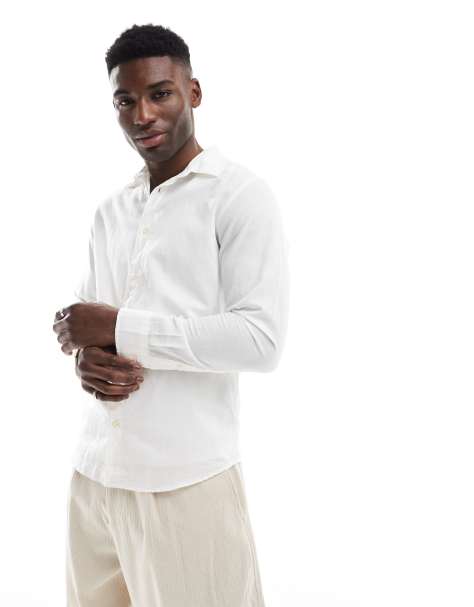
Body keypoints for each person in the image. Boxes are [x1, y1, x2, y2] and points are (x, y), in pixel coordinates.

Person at [53, 23, 290, 607]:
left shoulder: (239, 196)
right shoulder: (110, 211)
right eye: (125, 101)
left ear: (194, 92)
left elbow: (260, 339)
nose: (143, 115)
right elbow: (89, 325)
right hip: (95, 478)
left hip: (185, 481)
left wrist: (119, 329)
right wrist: (85, 360)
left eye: (160, 93)